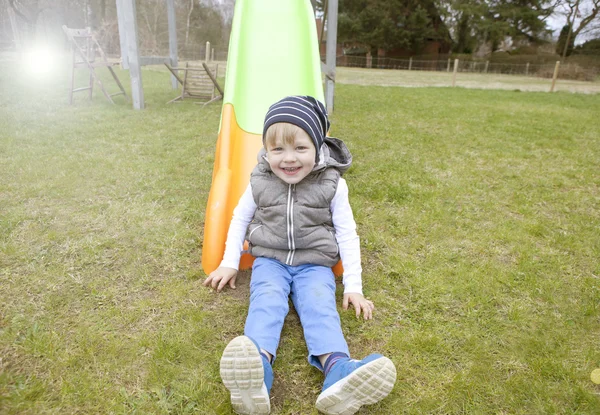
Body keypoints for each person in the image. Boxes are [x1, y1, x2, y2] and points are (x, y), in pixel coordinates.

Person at [203, 95, 396, 415]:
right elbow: (239, 218)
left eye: (300, 149)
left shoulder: (333, 183)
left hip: (314, 263)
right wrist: (229, 262)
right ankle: (257, 371)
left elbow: (348, 234)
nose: (288, 159)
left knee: (320, 306)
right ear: (266, 149)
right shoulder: (260, 179)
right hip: (270, 260)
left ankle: (337, 370)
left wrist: (353, 286)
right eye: (277, 149)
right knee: (266, 301)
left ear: (318, 146)